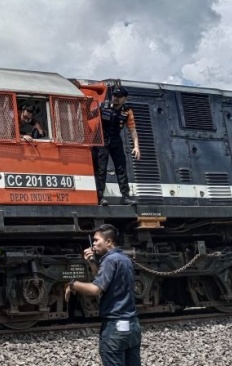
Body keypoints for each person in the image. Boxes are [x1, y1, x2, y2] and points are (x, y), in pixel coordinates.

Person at [64, 224, 141, 366]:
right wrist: (92, 263)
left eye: (96, 240)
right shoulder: (125, 259)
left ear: (109, 242)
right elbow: (105, 283)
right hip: (133, 326)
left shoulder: (109, 260)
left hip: (115, 328)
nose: (93, 244)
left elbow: (95, 289)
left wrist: (72, 284)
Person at [92, 86, 140, 206]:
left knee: (121, 168)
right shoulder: (103, 106)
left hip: (116, 140)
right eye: (114, 96)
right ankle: (100, 197)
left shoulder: (127, 111)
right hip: (101, 140)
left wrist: (136, 147)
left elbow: (132, 130)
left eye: (119, 97)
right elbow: (88, 116)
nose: (116, 98)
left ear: (125, 98)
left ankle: (125, 197)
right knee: (101, 169)